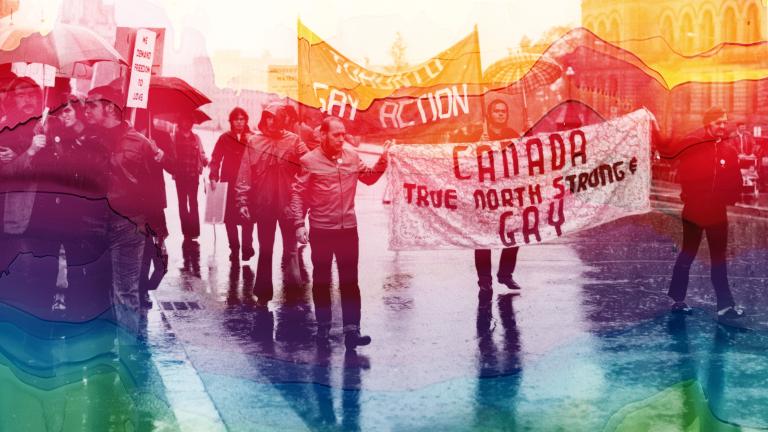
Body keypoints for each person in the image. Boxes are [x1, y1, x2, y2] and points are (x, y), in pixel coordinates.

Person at [289, 116, 391, 350]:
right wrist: (298, 224)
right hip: (322, 229)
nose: (341, 138)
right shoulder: (308, 161)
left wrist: (384, 158)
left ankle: (352, 332)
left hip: (348, 229)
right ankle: (323, 326)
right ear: (322, 135)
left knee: (350, 281)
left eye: (343, 134)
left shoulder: (352, 157)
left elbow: (369, 177)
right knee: (322, 280)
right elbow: (297, 194)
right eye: (336, 134)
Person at [84, 84, 163, 331]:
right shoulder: (89, 139)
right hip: (93, 224)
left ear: (109, 108)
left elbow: (155, 192)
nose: (87, 110)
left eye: (93, 105)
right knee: (98, 290)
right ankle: (104, 350)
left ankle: (128, 353)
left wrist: (158, 233)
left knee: (125, 291)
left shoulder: (140, 143)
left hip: (128, 226)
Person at [667, 107, 744, 320]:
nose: (722, 126)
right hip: (694, 210)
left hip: (717, 212)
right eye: (718, 122)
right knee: (688, 254)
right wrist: (689, 195)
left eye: (724, 122)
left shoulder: (728, 151)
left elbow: (735, 179)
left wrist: (730, 197)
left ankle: (725, 307)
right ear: (708, 124)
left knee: (718, 259)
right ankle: (677, 299)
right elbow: (680, 166)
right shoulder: (695, 146)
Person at [236, 102, 307, 307]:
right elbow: (244, 174)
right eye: (267, 117)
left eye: (275, 117)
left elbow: (309, 162)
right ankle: (263, 294)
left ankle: (293, 292)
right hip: (264, 204)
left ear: (283, 119)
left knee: (291, 251)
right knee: (265, 250)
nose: (270, 121)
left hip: (287, 204)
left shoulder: (293, 141)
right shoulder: (254, 141)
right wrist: (242, 201)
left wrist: (300, 187)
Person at [474, 99, 522, 295]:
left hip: (507, 193)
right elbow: (467, 161)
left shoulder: (513, 135)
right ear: (489, 114)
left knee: (514, 233)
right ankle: (485, 280)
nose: (501, 114)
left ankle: (505, 274)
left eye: (504, 111)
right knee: (483, 238)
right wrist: (478, 144)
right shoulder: (477, 135)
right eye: (497, 111)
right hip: (485, 194)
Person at [209, 107, 254, 262]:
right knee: (230, 219)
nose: (239, 122)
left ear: (246, 120)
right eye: (236, 119)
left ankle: (247, 247)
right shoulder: (224, 138)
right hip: (228, 183)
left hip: (248, 184)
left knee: (248, 216)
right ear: (231, 122)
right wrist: (213, 176)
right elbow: (215, 158)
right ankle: (234, 248)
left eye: (242, 119)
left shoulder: (252, 138)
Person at [173, 116, 207, 242]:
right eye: (184, 120)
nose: (186, 122)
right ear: (180, 122)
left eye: (189, 120)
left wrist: (205, 160)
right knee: (182, 203)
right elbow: (171, 154)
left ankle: (194, 231)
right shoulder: (174, 137)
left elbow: (202, 153)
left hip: (193, 175)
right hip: (180, 175)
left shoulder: (196, 138)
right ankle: (186, 231)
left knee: (193, 202)